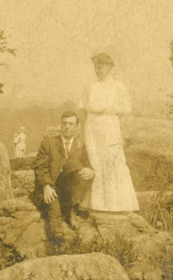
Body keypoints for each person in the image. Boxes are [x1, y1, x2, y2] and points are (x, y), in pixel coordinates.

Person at [78, 52, 139, 212]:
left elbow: (126, 110)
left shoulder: (118, 87)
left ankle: (118, 203)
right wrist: (83, 134)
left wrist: (121, 135)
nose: (98, 69)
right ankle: (96, 203)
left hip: (109, 126)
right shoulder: (91, 87)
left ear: (110, 66)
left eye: (101, 66)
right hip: (92, 127)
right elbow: (83, 111)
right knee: (95, 162)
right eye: (96, 66)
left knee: (112, 162)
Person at [34, 111, 94, 241]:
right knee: (53, 208)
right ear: (61, 124)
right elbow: (40, 167)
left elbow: (88, 164)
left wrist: (90, 170)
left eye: (70, 124)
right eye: (64, 123)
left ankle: (72, 211)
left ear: (76, 126)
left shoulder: (81, 147)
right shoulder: (48, 143)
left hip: (68, 191)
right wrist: (46, 186)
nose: (67, 127)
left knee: (79, 168)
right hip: (50, 188)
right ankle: (58, 237)